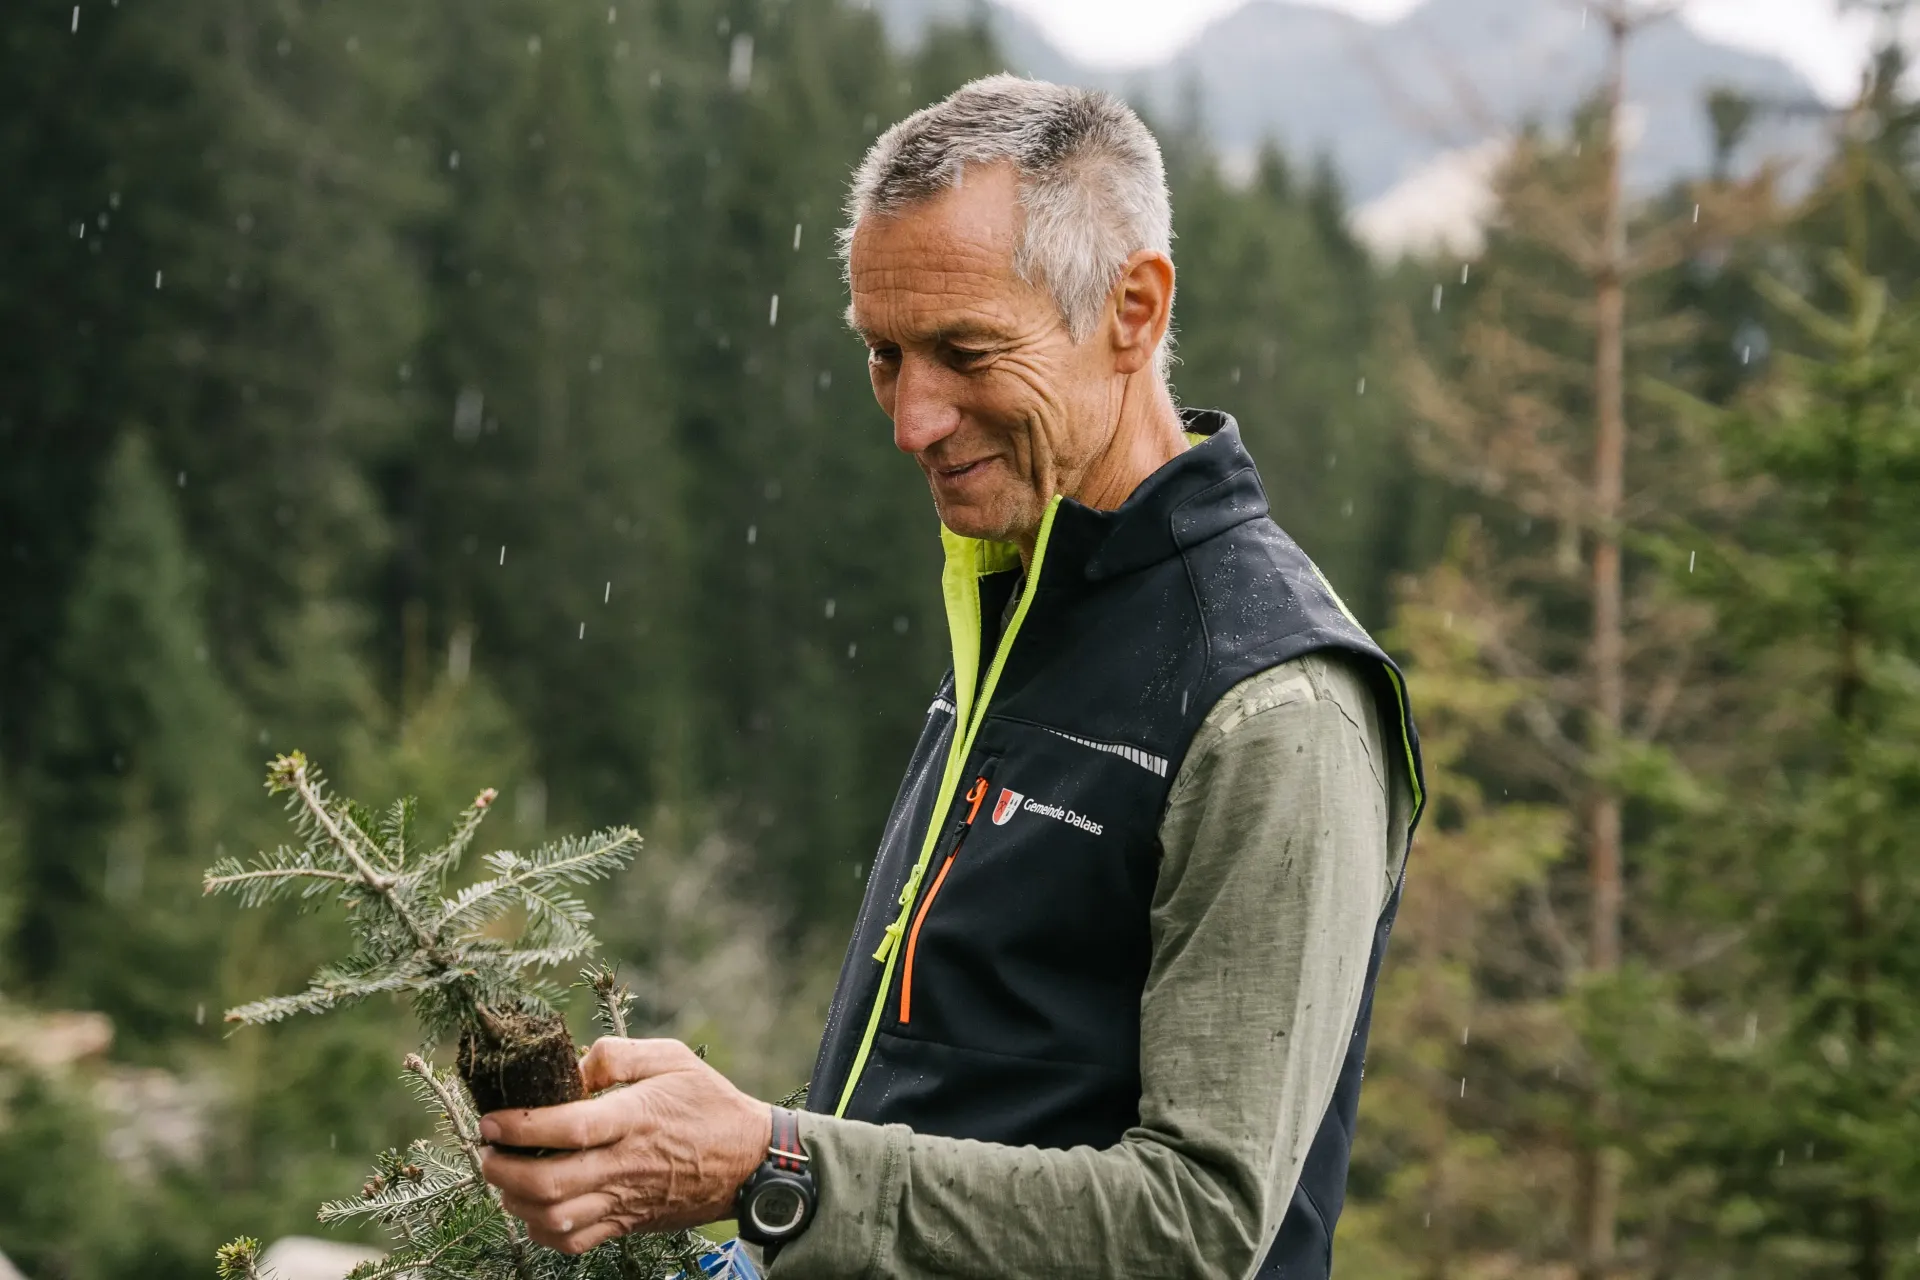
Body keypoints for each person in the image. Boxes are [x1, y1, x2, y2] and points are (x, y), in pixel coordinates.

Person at [478, 76, 1425, 1280]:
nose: (911, 420)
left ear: (1133, 310)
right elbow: (977, 1101)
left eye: (965, 350)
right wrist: (741, 1184)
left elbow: (1198, 1229)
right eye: (884, 354)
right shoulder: (1021, 593)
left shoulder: (1274, 705)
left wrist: (769, 1168)